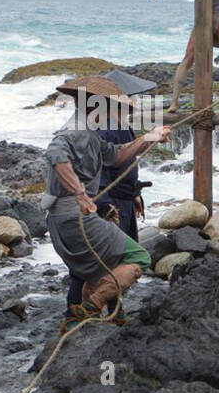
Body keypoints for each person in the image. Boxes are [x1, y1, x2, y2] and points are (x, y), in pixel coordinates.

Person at [42, 76, 170, 330]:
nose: (115, 111)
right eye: (111, 106)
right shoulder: (75, 131)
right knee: (138, 257)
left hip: (65, 217)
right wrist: (80, 193)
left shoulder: (89, 132)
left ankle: (79, 319)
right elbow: (56, 155)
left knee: (96, 267)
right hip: (75, 216)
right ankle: (93, 305)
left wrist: (150, 137)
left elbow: (115, 156)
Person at [62, 70, 156, 318]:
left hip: (116, 200)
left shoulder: (112, 126)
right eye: (130, 98)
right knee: (111, 262)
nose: (134, 104)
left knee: (102, 262)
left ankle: (110, 311)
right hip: (107, 205)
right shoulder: (108, 128)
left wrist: (133, 191)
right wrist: (105, 206)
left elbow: (118, 165)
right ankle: (84, 312)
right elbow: (98, 170)